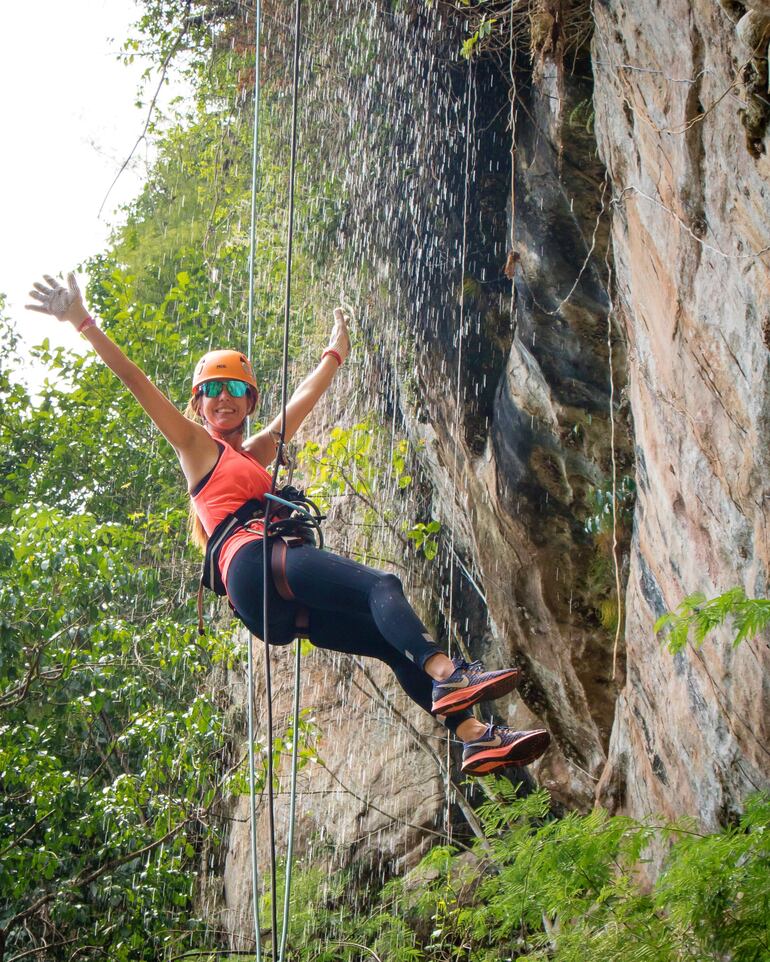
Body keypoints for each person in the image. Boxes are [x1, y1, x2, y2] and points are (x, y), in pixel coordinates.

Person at [27, 273, 551, 775]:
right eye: (212, 389)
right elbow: (138, 385)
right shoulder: (195, 447)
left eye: (235, 387)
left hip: (265, 606)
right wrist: (82, 321)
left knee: (391, 645)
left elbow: (301, 402)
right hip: (255, 561)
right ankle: (449, 674)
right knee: (382, 586)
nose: (224, 397)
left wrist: (334, 355)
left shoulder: (258, 453)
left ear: (250, 400)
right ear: (198, 403)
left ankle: (475, 739)